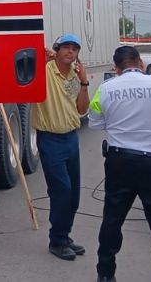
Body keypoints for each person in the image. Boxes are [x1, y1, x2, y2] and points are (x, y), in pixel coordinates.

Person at [89, 46, 151, 282]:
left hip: (120, 162)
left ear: (116, 68)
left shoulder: (105, 89)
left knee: (112, 219)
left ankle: (105, 273)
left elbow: (94, 123)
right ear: (140, 63)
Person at [33, 33, 91, 260]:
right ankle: (56, 241)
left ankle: (64, 236)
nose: (70, 52)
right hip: (50, 139)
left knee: (74, 193)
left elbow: (81, 110)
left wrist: (85, 82)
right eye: (65, 47)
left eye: (74, 49)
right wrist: (43, 54)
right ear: (56, 51)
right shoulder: (45, 71)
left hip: (71, 139)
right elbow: (25, 50)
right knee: (62, 191)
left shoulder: (75, 78)